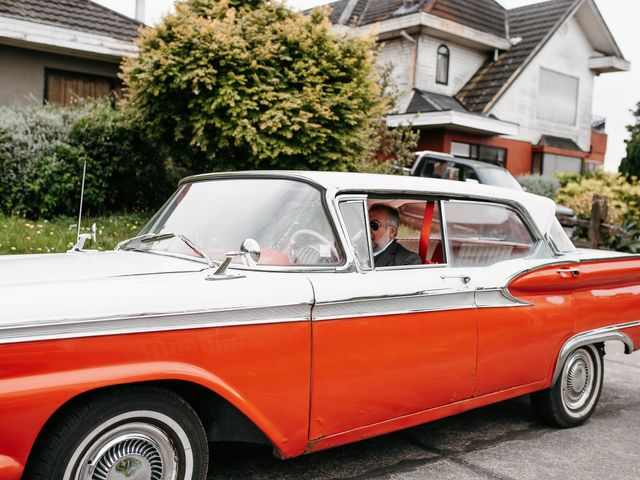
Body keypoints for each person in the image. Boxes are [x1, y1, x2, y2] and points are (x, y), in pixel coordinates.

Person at [369, 203, 421, 267]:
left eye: (374, 225)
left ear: (392, 231)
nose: (367, 229)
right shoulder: (357, 253)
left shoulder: (408, 260)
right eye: (365, 224)